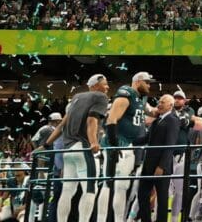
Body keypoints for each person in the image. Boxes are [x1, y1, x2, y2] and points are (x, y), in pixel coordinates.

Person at [45, 74, 110, 222]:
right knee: (90, 189)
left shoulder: (76, 98)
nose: (108, 87)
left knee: (67, 191)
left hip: (68, 150)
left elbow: (61, 125)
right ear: (95, 85)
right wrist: (94, 142)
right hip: (83, 148)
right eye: (105, 84)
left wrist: (46, 144)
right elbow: (92, 120)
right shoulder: (100, 97)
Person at [100, 72, 155, 222]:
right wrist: (114, 146)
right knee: (109, 185)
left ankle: (118, 219)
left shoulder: (140, 99)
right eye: (147, 82)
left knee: (122, 186)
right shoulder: (126, 94)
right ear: (137, 82)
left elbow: (153, 112)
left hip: (128, 146)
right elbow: (112, 120)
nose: (149, 86)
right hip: (119, 144)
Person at [137, 94, 180, 222]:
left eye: (162, 102)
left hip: (161, 167)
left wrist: (161, 166)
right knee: (142, 194)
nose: (159, 104)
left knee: (162, 198)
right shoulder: (157, 120)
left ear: (170, 106)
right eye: (159, 102)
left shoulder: (173, 120)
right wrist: (129, 141)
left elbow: (170, 145)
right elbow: (146, 139)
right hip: (148, 165)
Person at [170, 89, 196, 222]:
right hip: (166, 155)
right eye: (175, 98)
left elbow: (189, 121)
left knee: (179, 191)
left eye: (180, 98)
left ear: (185, 101)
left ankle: (175, 219)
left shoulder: (189, 111)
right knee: (161, 191)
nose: (177, 100)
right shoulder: (167, 109)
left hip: (180, 155)